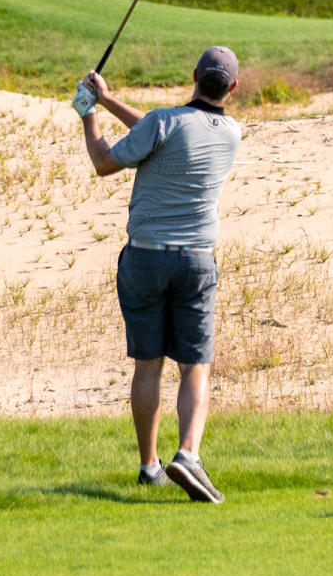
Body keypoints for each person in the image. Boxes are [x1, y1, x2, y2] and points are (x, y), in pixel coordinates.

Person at [73, 46, 241, 503]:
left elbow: (106, 161)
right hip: (197, 261)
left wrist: (88, 114)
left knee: (149, 364)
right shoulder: (231, 133)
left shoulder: (163, 123)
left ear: (193, 76)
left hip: (146, 257)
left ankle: (150, 467)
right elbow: (161, 130)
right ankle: (187, 453)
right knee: (195, 364)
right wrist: (107, 100)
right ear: (232, 88)